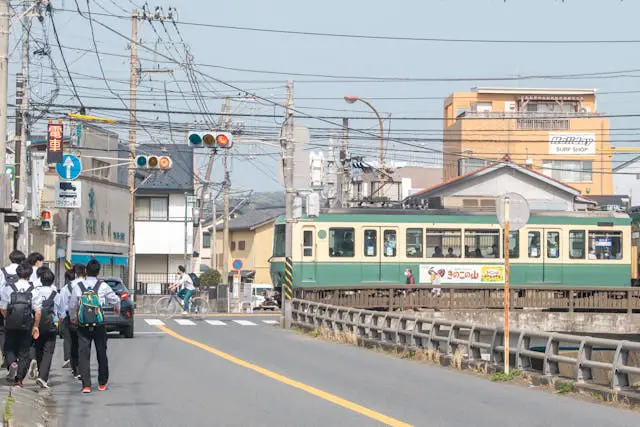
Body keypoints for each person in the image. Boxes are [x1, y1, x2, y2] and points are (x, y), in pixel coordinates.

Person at [68, 259, 119, 393]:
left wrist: (73, 318)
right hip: (99, 324)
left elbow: (72, 305)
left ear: (86, 271)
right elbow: (115, 299)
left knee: (83, 354)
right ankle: (102, 382)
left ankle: (86, 385)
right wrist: (116, 308)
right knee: (101, 352)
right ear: (98, 271)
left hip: (83, 324)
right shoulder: (103, 286)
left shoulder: (78, 286)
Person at [0, 261, 41, 386]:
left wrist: (8, 317)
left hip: (11, 323)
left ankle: (12, 363)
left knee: (8, 347)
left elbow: (2, 307)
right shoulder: (34, 290)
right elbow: (38, 311)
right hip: (27, 324)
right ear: (30, 274)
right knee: (24, 351)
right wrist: (35, 326)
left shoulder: (9, 288)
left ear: (17, 273)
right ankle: (19, 380)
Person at [33, 267, 61, 389]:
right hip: (50, 326)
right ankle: (42, 377)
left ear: (40, 280)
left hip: (36, 325)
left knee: (38, 348)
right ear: (52, 281)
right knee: (48, 351)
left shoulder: (35, 291)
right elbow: (60, 312)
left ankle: (39, 370)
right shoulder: (56, 294)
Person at [0, 250, 25, 367]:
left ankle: (8, 357)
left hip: (5, 306)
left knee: (3, 332)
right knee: (21, 332)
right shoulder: (24, 271)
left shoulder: (3, 271)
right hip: (22, 307)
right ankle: (18, 357)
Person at [59, 268, 77, 371]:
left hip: (67, 315)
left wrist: (60, 317)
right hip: (77, 315)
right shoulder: (80, 286)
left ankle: (67, 358)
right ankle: (76, 358)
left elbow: (62, 304)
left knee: (67, 338)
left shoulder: (64, 289)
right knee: (77, 337)